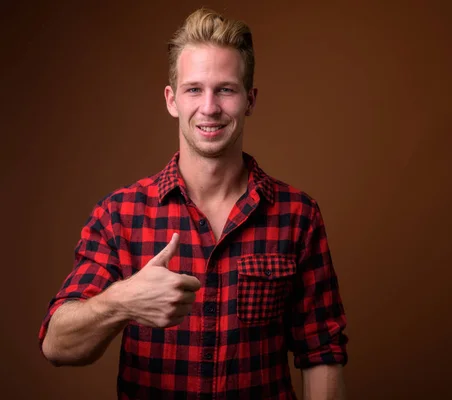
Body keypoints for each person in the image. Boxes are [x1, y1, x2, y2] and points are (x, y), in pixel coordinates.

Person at [39, 7, 348, 400]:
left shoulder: (297, 215)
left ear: (250, 100)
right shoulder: (119, 215)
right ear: (172, 100)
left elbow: (322, 352)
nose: (209, 107)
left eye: (226, 89)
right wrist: (122, 301)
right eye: (194, 89)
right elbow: (56, 345)